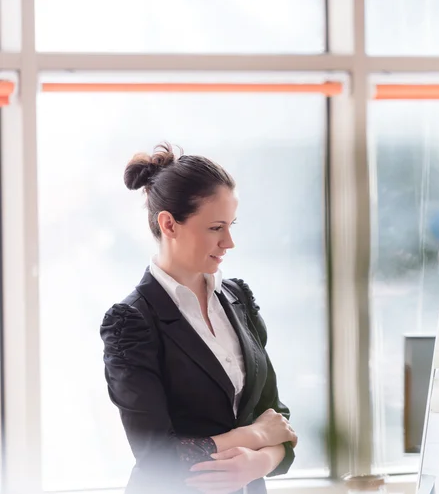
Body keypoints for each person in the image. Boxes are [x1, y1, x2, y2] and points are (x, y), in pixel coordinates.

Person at [100, 143, 297, 494]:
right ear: (169, 224)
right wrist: (252, 436)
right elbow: (157, 457)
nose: (229, 242)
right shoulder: (131, 322)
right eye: (216, 227)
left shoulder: (238, 299)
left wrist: (258, 462)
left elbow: (277, 420)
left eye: (231, 225)